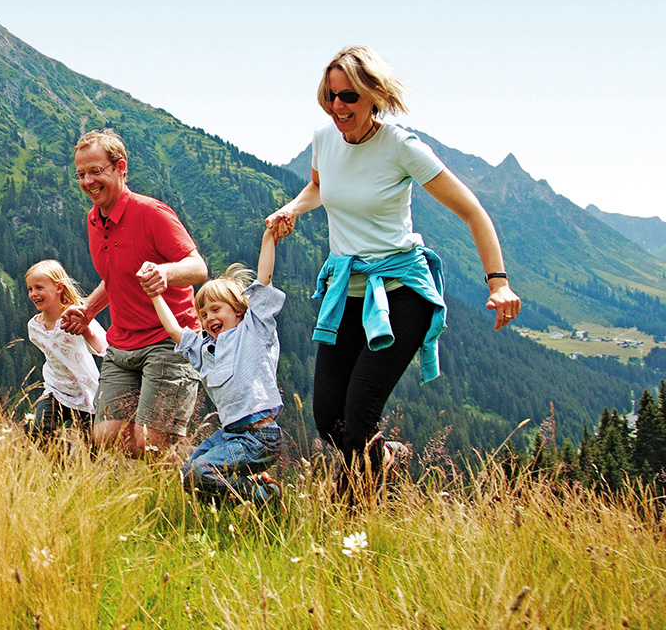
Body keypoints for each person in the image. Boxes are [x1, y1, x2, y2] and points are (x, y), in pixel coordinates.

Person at [265, 45, 522, 491]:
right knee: (330, 419)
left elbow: (472, 210)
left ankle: (352, 527)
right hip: (346, 292)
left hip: (401, 294)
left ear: (373, 95)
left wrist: (498, 282)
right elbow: (318, 187)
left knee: (360, 414)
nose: (338, 107)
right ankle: (387, 456)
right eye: (330, 96)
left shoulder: (401, 146)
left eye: (348, 97)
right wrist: (291, 209)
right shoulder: (324, 139)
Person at [60, 129, 208, 458]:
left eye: (96, 171)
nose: (88, 181)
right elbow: (116, 276)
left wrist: (165, 272)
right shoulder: (93, 220)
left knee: (149, 445)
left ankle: (204, 477)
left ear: (120, 168)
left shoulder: (152, 213)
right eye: (81, 174)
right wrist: (87, 310)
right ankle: (186, 467)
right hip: (122, 344)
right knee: (106, 437)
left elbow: (198, 267)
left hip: (170, 340)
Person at [145, 228, 287, 503]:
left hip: (260, 436)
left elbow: (264, 280)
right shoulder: (207, 350)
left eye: (216, 309)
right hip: (231, 435)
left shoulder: (254, 330)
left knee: (202, 471)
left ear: (237, 309)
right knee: (189, 474)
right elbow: (175, 331)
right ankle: (253, 489)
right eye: (203, 314)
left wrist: (269, 237)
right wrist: (154, 295)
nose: (208, 318)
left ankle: (263, 496)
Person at [24, 259, 107, 444]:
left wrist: (86, 330)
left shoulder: (77, 316)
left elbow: (103, 348)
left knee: (96, 449)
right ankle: (65, 468)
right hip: (56, 391)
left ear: (59, 287)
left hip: (86, 392)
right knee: (37, 430)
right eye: (30, 289)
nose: (33, 294)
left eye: (39, 287)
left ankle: (96, 472)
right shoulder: (34, 327)